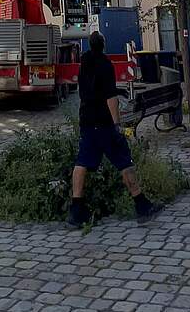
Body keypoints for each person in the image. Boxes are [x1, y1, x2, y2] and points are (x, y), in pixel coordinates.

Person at [69, 30, 160, 227]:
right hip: (103, 122)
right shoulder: (105, 64)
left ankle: (76, 208)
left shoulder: (84, 63)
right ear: (103, 45)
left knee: (82, 162)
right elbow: (110, 97)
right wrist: (117, 123)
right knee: (123, 160)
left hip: (86, 119)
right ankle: (141, 204)